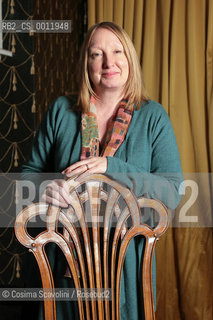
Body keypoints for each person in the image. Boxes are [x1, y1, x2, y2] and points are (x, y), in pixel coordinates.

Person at [22, 21, 183, 319]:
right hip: (60, 267)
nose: (108, 63)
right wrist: (45, 187)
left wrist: (112, 167)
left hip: (126, 274)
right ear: (87, 63)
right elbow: (27, 176)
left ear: (129, 58)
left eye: (117, 51)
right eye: (97, 54)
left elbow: (172, 191)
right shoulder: (61, 110)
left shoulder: (154, 117)